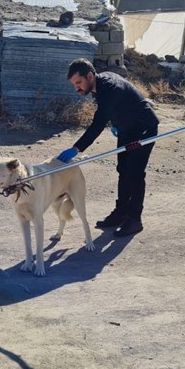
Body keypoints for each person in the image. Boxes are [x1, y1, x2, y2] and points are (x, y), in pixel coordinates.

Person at [58, 59, 159, 237]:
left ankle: (135, 220)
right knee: (123, 170)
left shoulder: (109, 89)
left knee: (135, 174)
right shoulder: (100, 85)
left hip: (144, 128)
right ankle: (121, 213)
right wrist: (117, 124)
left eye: (79, 83)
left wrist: (76, 148)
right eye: (74, 84)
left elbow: (97, 124)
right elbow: (118, 106)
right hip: (127, 129)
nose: (77, 88)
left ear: (90, 76)